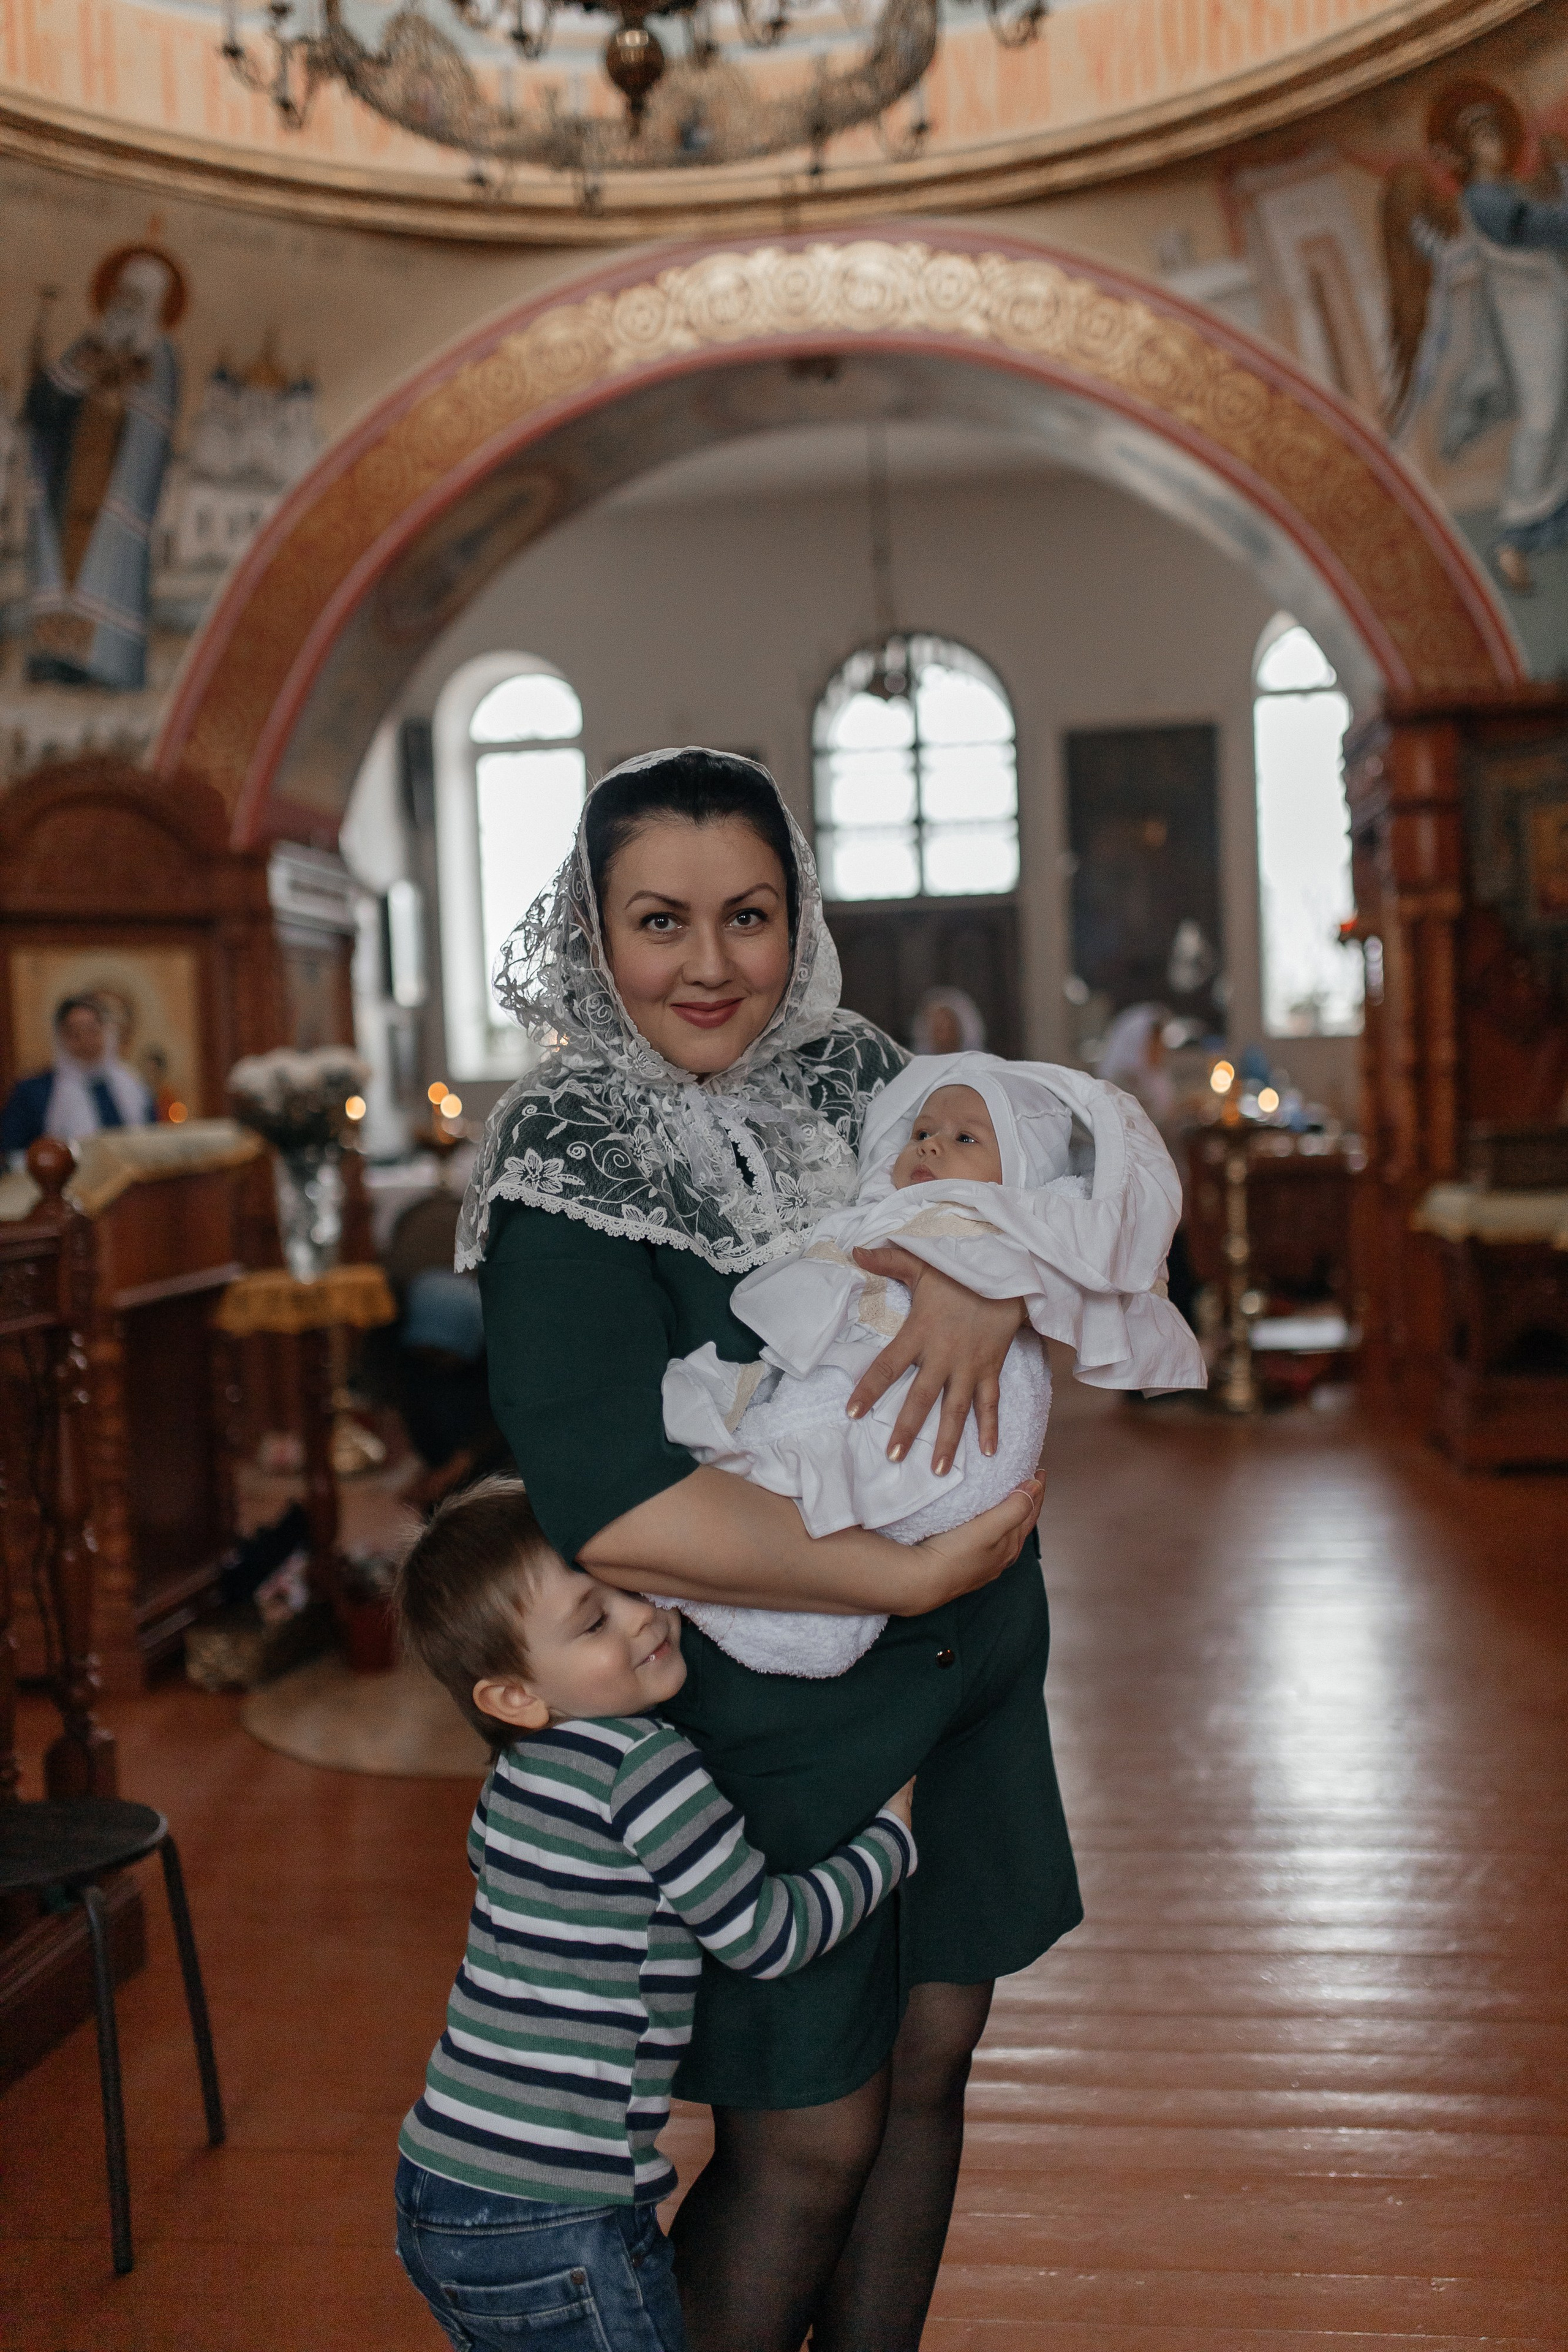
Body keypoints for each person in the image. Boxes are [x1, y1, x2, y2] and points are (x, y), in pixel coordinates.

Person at [462, 747, 1071, 2352]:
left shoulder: (864, 1073)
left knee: (930, 2059)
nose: (710, 964)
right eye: (659, 920)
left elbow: (1046, 1199)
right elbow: (616, 1504)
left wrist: (989, 1284)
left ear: (797, 919)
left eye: (747, 914)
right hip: (769, 1698)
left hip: (969, 1659)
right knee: (810, 2134)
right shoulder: (566, 1156)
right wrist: (899, 1576)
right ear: (593, 933)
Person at [392, 1476, 916, 2352]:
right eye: (593, 1621)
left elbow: (491, 1867)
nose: (643, 1617)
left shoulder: (512, 1779)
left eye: (631, 1586)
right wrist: (888, 1846)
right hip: (561, 2210)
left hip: (439, 2180)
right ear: (513, 1696)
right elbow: (764, 1935)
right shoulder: (644, 1764)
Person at [661, 1051, 1204, 1676]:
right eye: (921, 1132)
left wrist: (999, 1283)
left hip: (949, 1417)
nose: (931, 1146)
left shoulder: (1018, 1219)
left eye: (965, 1138)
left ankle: (780, 1553)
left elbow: (1099, 1249)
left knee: (814, 1465)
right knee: (782, 1448)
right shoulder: (877, 1216)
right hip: (859, 1381)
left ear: (1021, 1169)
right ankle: (798, 1590)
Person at [24, 247, 184, 689]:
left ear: (155, 304)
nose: (127, 304)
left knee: (108, 568)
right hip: (74, 477)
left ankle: (104, 666)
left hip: (121, 484)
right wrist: (73, 378)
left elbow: (155, 425)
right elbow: (45, 403)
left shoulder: (162, 356)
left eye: (138, 297)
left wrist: (123, 385)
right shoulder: (89, 345)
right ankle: (54, 660)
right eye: (123, 293)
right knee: (65, 566)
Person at [1, 994, 153, 1160]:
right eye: (74, 1034)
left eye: (92, 1031)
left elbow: (152, 1136)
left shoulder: (133, 1084)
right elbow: (11, 1152)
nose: (85, 1041)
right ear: (61, 1038)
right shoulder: (36, 1092)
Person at [910, 985, 986, 1057]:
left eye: (950, 1028)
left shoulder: (981, 1063)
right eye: (939, 1029)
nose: (945, 1036)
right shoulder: (918, 1063)